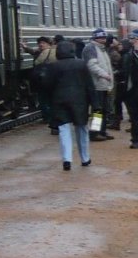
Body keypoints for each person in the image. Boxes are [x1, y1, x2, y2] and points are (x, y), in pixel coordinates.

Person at [50, 40, 94, 169]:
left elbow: (47, 85)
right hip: (80, 102)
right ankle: (85, 158)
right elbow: (89, 85)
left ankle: (67, 160)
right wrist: (95, 103)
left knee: (64, 130)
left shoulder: (54, 66)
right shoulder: (82, 64)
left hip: (60, 101)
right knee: (82, 129)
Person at [81, 28, 115, 140]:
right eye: (101, 37)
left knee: (103, 110)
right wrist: (104, 74)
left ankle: (102, 131)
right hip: (96, 85)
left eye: (104, 37)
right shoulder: (91, 48)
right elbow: (92, 66)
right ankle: (95, 133)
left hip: (104, 84)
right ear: (95, 38)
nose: (103, 39)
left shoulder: (102, 49)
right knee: (98, 110)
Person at [21, 36, 57, 132]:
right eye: (40, 43)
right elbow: (33, 51)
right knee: (45, 100)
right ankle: (48, 118)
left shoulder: (49, 53)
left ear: (49, 44)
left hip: (44, 80)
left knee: (45, 100)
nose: (41, 45)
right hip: (43, 81)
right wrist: (25, 47)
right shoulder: (40, 52)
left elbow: (37, 61)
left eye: (43, 43)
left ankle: (49, 119)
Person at [120, 35, 138, 149]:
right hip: (133, 91)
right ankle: (96, 131)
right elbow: (126, 74)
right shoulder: (129, 57)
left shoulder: (128, 56)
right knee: (135, 116)